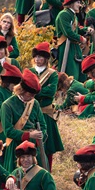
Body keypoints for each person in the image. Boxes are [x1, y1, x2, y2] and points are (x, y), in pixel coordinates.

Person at [1, 69, 46, 173]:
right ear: (22, 90)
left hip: (34, 145)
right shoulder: (7, 105)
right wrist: (29, 135)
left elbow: (43, 126)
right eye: (30, 94)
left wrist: (40, 136)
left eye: (33, 95)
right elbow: (8, 131)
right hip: (16, 146)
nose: (32, 98)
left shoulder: (34, 103)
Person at [29, 42, 64, 176]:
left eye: (41, 57)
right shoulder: (30, 72)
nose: (38, 59)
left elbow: (51, 91)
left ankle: (47, 173)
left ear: (46, 59)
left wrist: (34, 91)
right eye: (36, 57)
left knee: (48, 146)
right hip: (31, 113)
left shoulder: (52, 74)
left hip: (46, 113)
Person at [54, 0, 90, 82]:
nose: (80, 5)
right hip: (66, 47)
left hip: (73, 47)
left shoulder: (72, 15)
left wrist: (86, 30)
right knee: (71, 75)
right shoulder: (64, 15)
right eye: (78, 2)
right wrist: (80, 38)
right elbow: (68, 33)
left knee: (80, 74)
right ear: (71, 3)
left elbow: (76, 29)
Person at [0, 62, 24, 142]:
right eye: (14, 84)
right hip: (0, 130)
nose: (16, 87)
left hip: (12, 128)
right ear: (8, 82)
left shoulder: (11, 92)